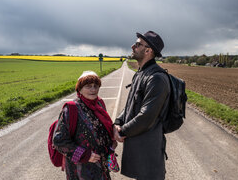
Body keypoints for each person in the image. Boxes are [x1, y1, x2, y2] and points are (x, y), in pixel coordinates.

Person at [114, 31, 171, 180]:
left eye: (138, 44)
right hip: (139, 150)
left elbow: (146, 116)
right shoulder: (140, 74)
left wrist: (122, 131)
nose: (133, 46)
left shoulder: (156, 78)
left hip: (148, 152)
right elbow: (130, 105)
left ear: (148, 50)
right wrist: (118, 122)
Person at [53, 71, 117, 180]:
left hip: (102, 166)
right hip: (81, 170)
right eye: (88, 86)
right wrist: (85, 155)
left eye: (95, 86)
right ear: (79, 89)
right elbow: (59, 141)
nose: (93, 90)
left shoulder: (99, 104)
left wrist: (111, 139)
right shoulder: (71, 108)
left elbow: (104, 126)